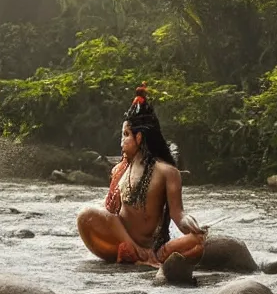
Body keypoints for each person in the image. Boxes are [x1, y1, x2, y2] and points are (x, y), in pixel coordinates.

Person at [76, 83, 206, 267]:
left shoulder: (167, 172)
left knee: (199, 240)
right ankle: (137, 253)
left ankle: (154, 255)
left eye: (125, 134)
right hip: (121, 242)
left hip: (149, 246)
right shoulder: (119, 170)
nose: (121, 141)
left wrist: (188, 221)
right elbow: (110, 214)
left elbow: (178, 214)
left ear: (139, 138)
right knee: (86, 215)